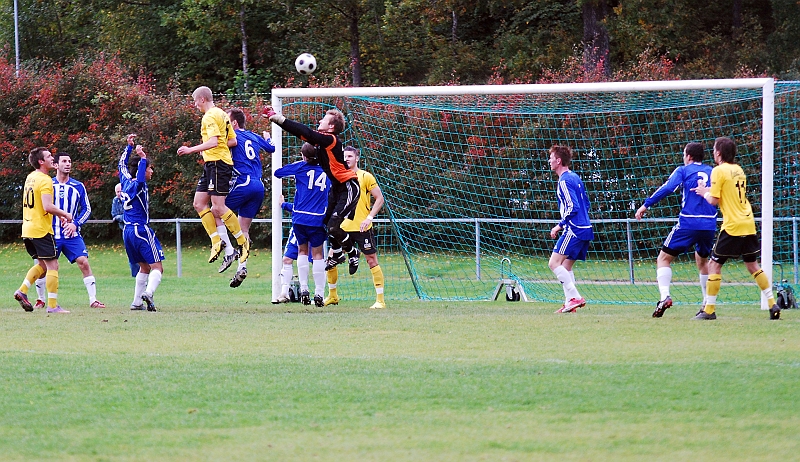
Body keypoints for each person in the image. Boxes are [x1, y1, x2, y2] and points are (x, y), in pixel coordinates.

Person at [263, 106, 361, 275]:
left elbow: (306, 132)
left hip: (348, 187)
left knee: (333, 226)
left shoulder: (331, 139)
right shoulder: (322, 142)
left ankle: (353, 252)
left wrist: (277, 117)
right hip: (337, 188)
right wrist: (279, 121)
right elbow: (303, 134)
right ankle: (338, 253)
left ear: (331, 127)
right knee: (326, 223)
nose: (320, 120)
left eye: (324, 119)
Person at [693, 136, 781, 320]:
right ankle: (773, 304)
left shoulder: (718, 170)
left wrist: (704, 193)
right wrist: (708, 189)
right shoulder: (738, 170)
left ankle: (709, 310)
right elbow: (727, 192)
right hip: (748, 223)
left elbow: (714, 200)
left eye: (714, 150)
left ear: (718, 153)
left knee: (714, 265)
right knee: (753, 265)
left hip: (733, 225)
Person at [635, 142, 717, 317]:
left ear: (688, 156)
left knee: (663, 259)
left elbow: (667, 188)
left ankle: (664, 296)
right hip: (709, 224)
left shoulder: (683, 170)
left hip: (688, 223)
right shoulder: (713, 171)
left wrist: (645, 205)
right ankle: (707, 304)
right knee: (702, 261)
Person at [177, 86, 250, 269]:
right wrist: (213, 148)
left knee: (218, 207)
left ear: (202, 99)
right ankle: (217, 241)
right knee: (199, 203)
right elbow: (232, 140)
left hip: (219, 164)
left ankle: (243, 243)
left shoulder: (209, 116)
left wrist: (191, 149)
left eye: (195, 101)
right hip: (212, 164)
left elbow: (213, 141)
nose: (195, 105)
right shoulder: (222, 114)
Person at [31, 152, 106, 309]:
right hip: (51, 234)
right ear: (56, 165)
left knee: (83, 262)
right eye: (64, 161)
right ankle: (41, 299)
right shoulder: (48, 184)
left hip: (72, 234)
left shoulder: (78, 186)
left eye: (70, 161)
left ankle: (93, 300)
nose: (68, 164)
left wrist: (75, 224)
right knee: (43, 267)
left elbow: (86, 209)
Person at [214, 107, 275, 288]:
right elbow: (271, 148)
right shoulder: (253, 136)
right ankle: (242, 267)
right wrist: (268, 137)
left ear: (234, 123)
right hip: (259, 186)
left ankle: (229, 250)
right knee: (244, 230)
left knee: (215, 210)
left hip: (244, 182)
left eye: (227, 121)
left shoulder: (232, 137)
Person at [324, 146, 386, 309]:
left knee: (371, 260)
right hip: (342, 227)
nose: (347, 159)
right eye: (344, 156)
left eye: (350, 156)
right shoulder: (338, 177)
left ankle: (380, 300)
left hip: (361, 227)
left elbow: (379, 198)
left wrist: (369, 217)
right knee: (331, 259)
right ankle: (332, 296)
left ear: (357, 158)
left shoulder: (365, 176)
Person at [13, 147, 73, 314]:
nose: (52, 158)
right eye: (49, 156)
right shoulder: (46, 180)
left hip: (28, 228)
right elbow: (47, 206)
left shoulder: (30, 177)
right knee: (53, 265)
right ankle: (52, 306)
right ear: (41, 161)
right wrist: (65, 214)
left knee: (42, 265)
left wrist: (58, 215)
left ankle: (22, 290)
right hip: (41, 229)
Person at [273, 143, 331, 306]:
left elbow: (278, 173)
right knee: (318, 255)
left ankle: (304, 289)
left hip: (300, 218)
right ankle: (319, 293)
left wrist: (300, 166)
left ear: (303, 155)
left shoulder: (300, 167)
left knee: (302, 251)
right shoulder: (327, 170)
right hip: (318, 219)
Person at [547, 145, 594, 313]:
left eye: (551, 158)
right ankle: (570, 303)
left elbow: (573, 206)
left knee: (553, 263)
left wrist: (560, 225)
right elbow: (586, 203)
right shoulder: (575, 177)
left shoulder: (564, 180)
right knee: (566, 267)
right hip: (585, 228)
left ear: (558, 161)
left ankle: (575, 297)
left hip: (574, 229)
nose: (549, 161)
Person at [120, 134, 164, 312]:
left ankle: (137, 302)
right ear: (142, 169)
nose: (151, 171)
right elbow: (139, 178)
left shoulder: (124, 181)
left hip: (127, 231)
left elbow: (121, 164)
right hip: (141, 230)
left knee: (144, 267)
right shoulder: (139, 185)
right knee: (157, 267)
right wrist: (143, 158)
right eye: (149, 168)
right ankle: (149, 293)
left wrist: (129, 147)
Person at [111, 183, 141, 278]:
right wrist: (121, 217)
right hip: (124, 230)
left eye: (120, 191)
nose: (119, 193)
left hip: (136, 229)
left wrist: (119, 218)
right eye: (117, 192)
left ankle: (143, 274)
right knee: (131, 254)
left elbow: (129, 215)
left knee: (140, 252)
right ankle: (135, 276)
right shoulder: (115, 200)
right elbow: (114, 214)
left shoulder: (130, 198)